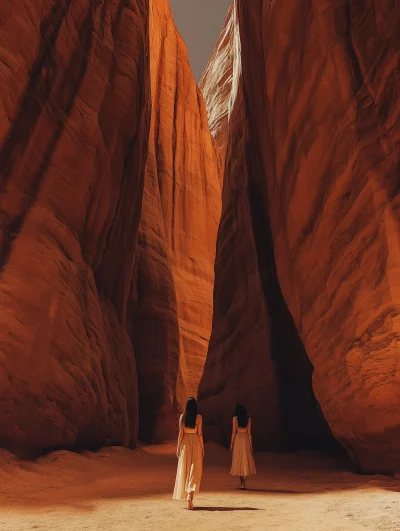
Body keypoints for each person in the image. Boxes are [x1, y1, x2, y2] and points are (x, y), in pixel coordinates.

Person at [173, 397, 204, 510]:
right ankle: (190, 493)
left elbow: (181, 434)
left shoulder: (183, 417)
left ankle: (187, 493)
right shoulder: (199, 417)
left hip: (185, 444)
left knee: (185, 468)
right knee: (194, 468)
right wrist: (202, 447)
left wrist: (178, 447)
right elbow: (200, 434)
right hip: (195, 442)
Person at [230, 403, 256, 489]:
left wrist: (231, 444)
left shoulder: (235, 419)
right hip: (245, 439)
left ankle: (242, 481)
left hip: (238, 439)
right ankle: (243, 481)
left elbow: (234, 432)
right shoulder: (248, 419)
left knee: (239, 459)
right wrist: (251, 446)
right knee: (245, 459)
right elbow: (249, 434)